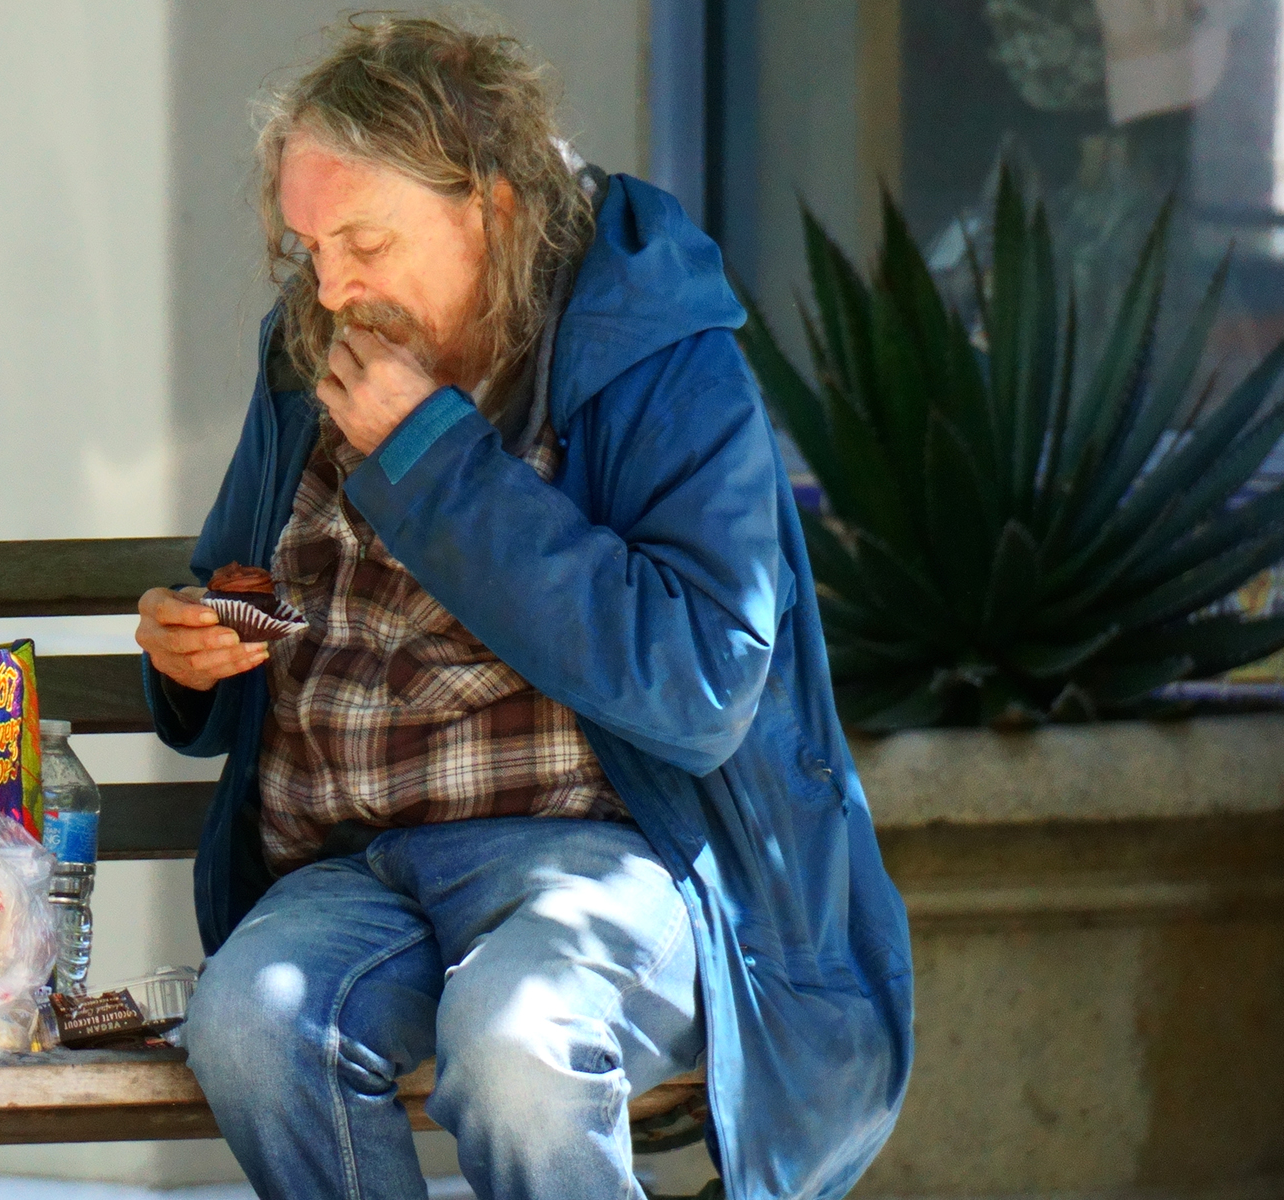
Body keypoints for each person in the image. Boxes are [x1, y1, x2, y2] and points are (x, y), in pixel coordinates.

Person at [136, 14, 912, 1200]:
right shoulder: (311, 348)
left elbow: (698, 686)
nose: (332, 284)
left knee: (520, 1045)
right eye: (307, 244)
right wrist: (194, 649)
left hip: (599, 861)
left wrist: (432, 461)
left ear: (491, 207)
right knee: (250, 1021)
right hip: (353, 865)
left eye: (365, 240)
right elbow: (251, 580)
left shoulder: (652, 352)